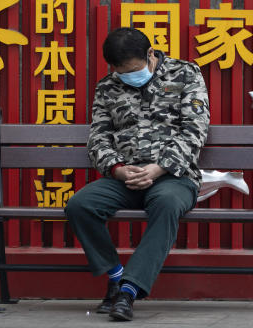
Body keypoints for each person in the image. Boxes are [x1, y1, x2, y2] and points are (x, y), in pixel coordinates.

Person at [65, 27, 210, 322]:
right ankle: (116, 275)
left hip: (173, 175)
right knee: (80, 205)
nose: (127, 77)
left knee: (168, 204)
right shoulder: (107, 87)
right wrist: (118, 170)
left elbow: (195, 130)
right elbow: (98, 138)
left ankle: (128, 291)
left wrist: (159, 168)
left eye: (132, 70)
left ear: (150, 55)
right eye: (120, 72)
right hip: (125, 176)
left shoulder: (185, 74)